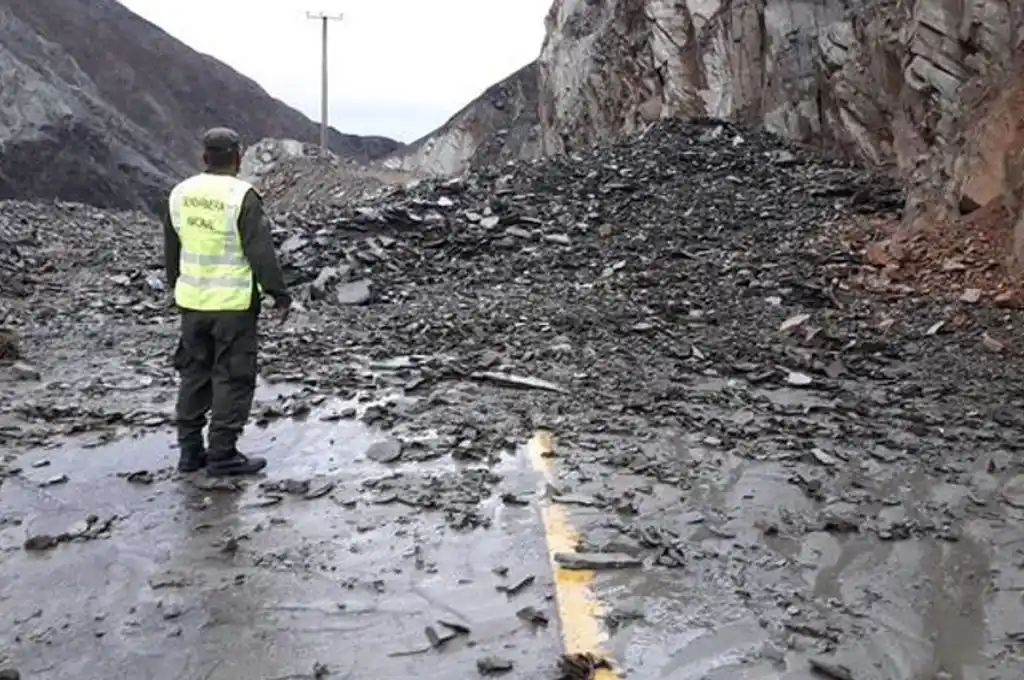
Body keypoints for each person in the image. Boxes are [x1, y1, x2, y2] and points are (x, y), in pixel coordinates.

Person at [162, 127, 292, 476]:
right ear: (237, 156)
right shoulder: (242, 197)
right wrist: (278, 293)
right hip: (233, 307)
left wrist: (177, 287)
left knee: (194, 376)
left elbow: (172, 250)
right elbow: (260, 251)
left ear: (204, 156)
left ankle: (190, 452)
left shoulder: (179, 194)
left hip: (192, 304)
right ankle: (222, 454)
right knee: (232, 378)